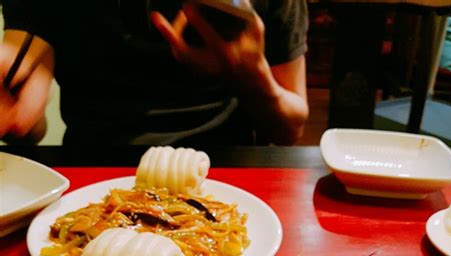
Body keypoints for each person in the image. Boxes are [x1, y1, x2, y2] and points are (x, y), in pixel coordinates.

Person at [0, 0, 309, 146]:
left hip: (228, 171)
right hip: (91, 172)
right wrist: (19, 116)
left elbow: (290, 131)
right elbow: (27, 115)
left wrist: (252, 79)